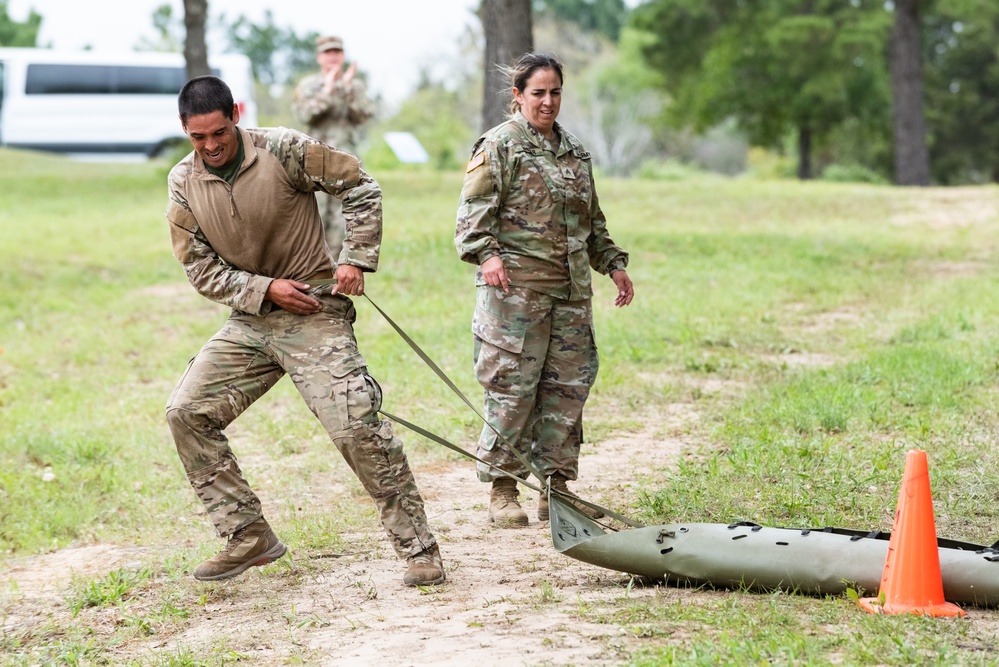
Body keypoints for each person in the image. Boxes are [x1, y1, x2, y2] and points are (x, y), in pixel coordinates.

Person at [164, 75, 444, 586]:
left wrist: (356, 258)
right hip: (251, 321)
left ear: (235, 116)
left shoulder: (282, 148)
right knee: (186, 412)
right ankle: (247, 535)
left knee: (356, 427)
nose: (210, 145)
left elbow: (359, 184)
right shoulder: (183, 182)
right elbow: (199, 268)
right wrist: (264, 290)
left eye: (218, 132)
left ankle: (418, 549)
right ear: (184, 130)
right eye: (197, 137)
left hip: (315, 313)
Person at [454, 53, 635, 527]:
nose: (548, 101)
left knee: (566, 392)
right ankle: (503, 489)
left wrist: (612, 264)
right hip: (516, 296)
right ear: (518, 96)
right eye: (538, 93)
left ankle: (556, 488)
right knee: (513, 391)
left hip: (571, 295)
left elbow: (590, 221)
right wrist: (488, 255)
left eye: (555, 92)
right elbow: (472, 219)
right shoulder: (499, 146)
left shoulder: (574, 151)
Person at [292, 35, 374, 260]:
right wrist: (328, 90)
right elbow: (305, 114)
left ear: (343, 55)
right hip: (315, 160)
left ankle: (340, 266)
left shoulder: (354, 85)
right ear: (319, 57)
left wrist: (345, 89)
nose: (333, 57)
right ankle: (314, 265)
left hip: (345, 159)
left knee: (344, 214)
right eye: (328, 53)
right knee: (314, 213)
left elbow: (363, 115)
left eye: (337, 52)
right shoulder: (309, 85)